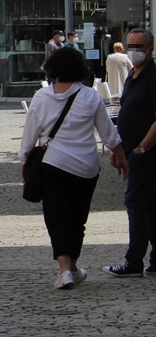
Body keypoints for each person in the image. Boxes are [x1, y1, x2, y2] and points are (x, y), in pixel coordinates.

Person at [20, 47, 127, 288]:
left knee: (56, 217)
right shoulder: (90, 96)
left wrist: (24, 159)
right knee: (78, 218)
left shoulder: (42, 97)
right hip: (85, 166)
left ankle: (65, 270)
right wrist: (121, 157)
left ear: (52, 69)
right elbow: (108, 134)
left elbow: (30, 134)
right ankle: (73, 266)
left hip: (53, 163)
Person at [107, 29, 156, 277]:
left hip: (147, 153)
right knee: (150, 205)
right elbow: (127, 112)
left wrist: (141, 148)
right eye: (131, 45)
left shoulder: (153, 76)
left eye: (140, 45)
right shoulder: (132, 75)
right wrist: (119, 148)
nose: (135, 50)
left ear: (150, 48)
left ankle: (133, 261)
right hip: (130, 149)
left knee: (135, 202)